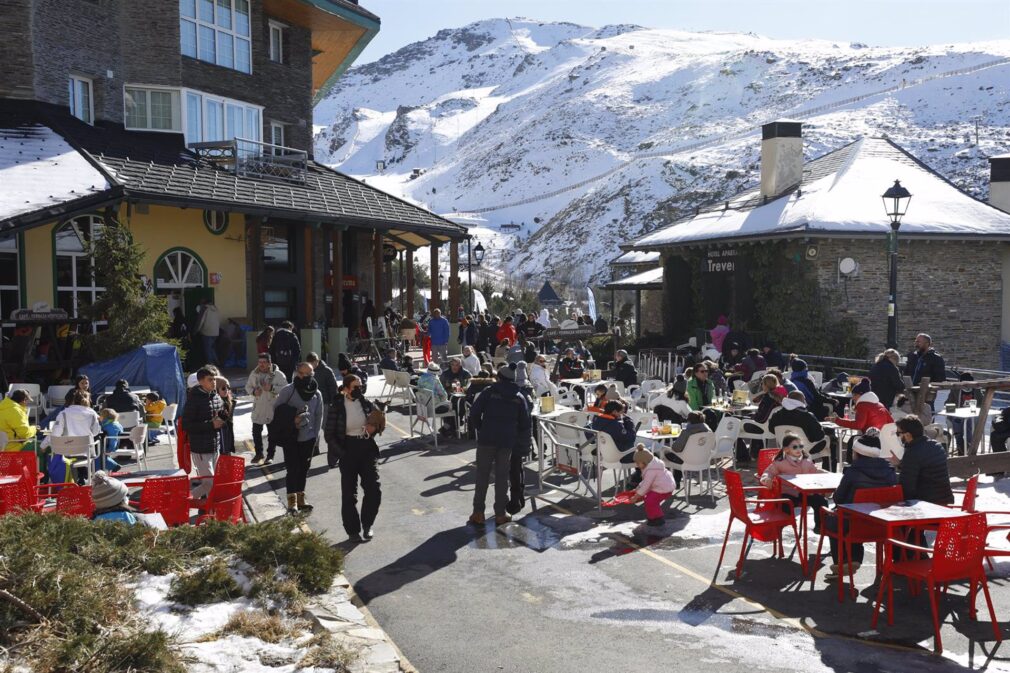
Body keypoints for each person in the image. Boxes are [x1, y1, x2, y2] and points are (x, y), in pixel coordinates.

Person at [821, 440, 899, 579]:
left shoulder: (853, 472)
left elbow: (838, 498)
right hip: (882, 526)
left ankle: (843, 562)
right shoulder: (890, 471)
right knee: (853, 519)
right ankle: (853, 559)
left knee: (834, 521)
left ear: (857, 453)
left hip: (854, 524)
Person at [467, 363, 532, 525]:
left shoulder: (489, 392)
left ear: (499, 377)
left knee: (482, 475)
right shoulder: (519, 396)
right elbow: (525, 423)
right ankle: (500, 514)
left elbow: (474, 413)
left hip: (487, 439)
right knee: (502, 477)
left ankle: (478, 512)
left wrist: (481, 428)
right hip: (507, 441)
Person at [324, 374, 383, 541]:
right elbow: (329, 434)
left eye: (361, 386)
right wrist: (341, 452)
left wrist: (374, 429)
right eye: (356, 387)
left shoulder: (365, 403)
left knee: (374, 489)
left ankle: (367, 524)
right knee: (349, 493)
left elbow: (378, 422)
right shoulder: (337, 406)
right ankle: (352, 530)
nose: (359, 389)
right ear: (346, 388)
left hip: (366, 448)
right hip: (347, 449)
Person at [275, 362, 323, 513]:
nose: (303, 377)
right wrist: (292, 419)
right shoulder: (287, 391)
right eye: (301, 373)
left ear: (312, 375)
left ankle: (301, 499)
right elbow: (277, 412)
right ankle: (292, 502)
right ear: (296, 373)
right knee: (292, 469)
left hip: (308, 439)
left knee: (304, 469)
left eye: (307, 374)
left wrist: (315, 436)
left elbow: (319, 416)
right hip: (291, 437)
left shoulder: (317, 393)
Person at [759, 433, 827, 533]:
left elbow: (815, 471)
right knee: (784, 505)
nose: (799, 449)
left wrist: (827, 474)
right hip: (788, 493)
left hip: (805, 493)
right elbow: (768, 472)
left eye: (801, 446)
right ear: (786, 450)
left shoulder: (806, 461)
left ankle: (820, 527)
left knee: (821, 501)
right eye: (795, 447)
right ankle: (779, 528)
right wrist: (767, 479)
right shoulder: (780, 462)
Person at [889, 415, 953, 505]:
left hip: (926, 504)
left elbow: (906, 488)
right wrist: (901, 464)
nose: (898, 436)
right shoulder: (937, 446)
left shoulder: (912, 452)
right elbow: (924, 469)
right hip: (945, 500)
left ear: (908, 435)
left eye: (898, 433)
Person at [182, 367, 225, 499]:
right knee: (209, 483)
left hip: (215, 446)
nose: (214, 383)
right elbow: (187, 425)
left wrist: (224, 417)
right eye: (210, 380)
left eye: (214, 379)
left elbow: (222, 414)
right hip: (201, 449)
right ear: (201, 382)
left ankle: (209, 510)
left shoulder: (216, 396)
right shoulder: (193, 400)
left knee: (214, 483)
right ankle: (185, 501)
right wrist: (211, 424)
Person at [246, 353, 288, 466]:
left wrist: (272, 388)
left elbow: (285, 389)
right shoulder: (254, 374)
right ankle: (259, 453)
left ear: (269, 363)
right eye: (260, 362)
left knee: (272, 434)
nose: (262, 365)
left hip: (272, 408)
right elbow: (248, 387)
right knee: (256, 432)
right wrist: (254, 392)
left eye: (264, 362)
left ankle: (270, 456)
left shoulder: (278, 375)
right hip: (258, 408)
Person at [769, 391, 832, 460]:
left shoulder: (776, 415)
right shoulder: (807, 416)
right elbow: (820, 436)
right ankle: (828, 467)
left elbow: (771, 429)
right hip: (805, 449)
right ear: (802, 401)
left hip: (786, 447)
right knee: (830, 438)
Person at [627, 444, 677, 526]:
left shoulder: (651, 471)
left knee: (651, 501)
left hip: (663, 489)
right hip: (663, 486)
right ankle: (653, 517)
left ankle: (658, 519)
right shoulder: (652, 465)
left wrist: (636, 496)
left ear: (644, 462)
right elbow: (645, 482)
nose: (636, 465)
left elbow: (646, 485)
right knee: (649, 499)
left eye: (638, 463)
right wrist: (637, 489)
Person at [663, 411, 710, 488]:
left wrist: (674, 443)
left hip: (687, 460)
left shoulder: (687, 432)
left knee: (665, 454)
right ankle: (675, 480)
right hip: (703, 460)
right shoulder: (709, 431)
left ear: (689, 421)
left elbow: (676, 448)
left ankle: (670, 482)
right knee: (681, 455)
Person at [194, 298, 221, 366]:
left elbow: (201, 321)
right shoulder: (216, 309)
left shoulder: (205, 309)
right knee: (212, 348)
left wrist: (196, 330)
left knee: (208, 349)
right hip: (216, 332)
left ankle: (210, 364)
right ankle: (216, 361)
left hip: (207, 331)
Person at [989, 405, 1010, 479]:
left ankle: (1001, 467)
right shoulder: (1006, 410)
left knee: (997, 435)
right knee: (995, 435)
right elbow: (997, 419)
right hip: (1006, 429)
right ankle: (1000, 466)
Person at [216, 378, 235, 455]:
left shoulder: (229, 402)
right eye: (223, 388)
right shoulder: (216, 404)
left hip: (227, 439)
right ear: (216, 390)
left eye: (228, 388)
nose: (226, 390)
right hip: (221, 442)